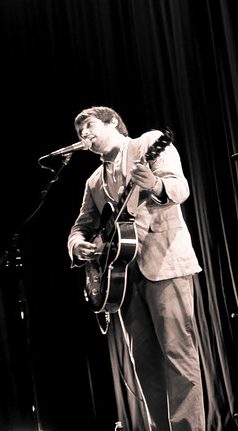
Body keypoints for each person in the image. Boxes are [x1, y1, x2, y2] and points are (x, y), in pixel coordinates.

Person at [67, 106, 205, 431]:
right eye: (79, 134)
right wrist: (78, 246)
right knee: (145, 366)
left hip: (165, 264)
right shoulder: (93, 181)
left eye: (88, 127)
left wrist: (155, 184)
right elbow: (80, 227)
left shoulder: (149, 143)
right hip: (123, 279)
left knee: (178, 354)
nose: (84, 136)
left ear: (112, 121)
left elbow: (179, 188)